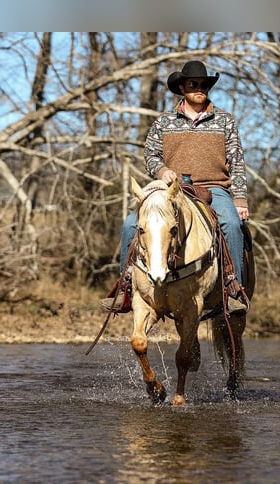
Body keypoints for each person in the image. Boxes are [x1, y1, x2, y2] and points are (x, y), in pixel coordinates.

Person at [102, 60, 250, 314]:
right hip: (172, 189)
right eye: (193, 84)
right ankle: (126, 286)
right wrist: (162, 170)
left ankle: (231, 288)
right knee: (130, 224)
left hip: (214, 188)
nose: (199, 88)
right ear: (182, 87)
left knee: (232, 224)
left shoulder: (225, 121)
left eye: (204, 85)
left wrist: (240, 200)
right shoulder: (164, 121)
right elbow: (150, 154)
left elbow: (236, 161)